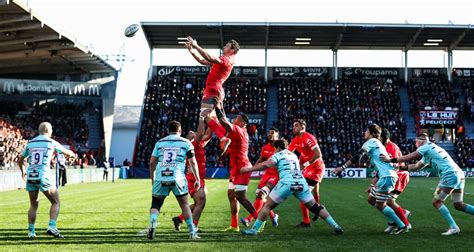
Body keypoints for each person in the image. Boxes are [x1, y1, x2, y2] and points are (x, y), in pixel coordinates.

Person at [240, 139, 343, 236]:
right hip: (300, 182)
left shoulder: (278, 154)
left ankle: (254, 230)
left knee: (267, 206)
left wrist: (248, 169)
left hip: (287, 183)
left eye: (275, 149)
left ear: (278, 148)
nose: (274, 151)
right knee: (316, 207)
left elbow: (266, 165)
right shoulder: (293, 155)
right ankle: (335, 225)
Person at [381, 133, 474, 235]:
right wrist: (400, 168)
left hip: (449, 175)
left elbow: (410, 157)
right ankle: (453, 226)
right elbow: (416, 166)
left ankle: (453, 227)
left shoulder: (426, 147)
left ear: (420, 141)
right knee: (458, 205)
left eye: (416, 142)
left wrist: (391, 160)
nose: (415, 144)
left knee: (436, 202)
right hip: (459, 174)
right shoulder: (430, 149)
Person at [334, 124, 408, 235]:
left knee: (380, 204)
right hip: (386, 176)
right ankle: (396, 220)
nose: (364, 133)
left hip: (387, 177)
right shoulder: (378, 144)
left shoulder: (371, 142)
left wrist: (342, 167)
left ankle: (401, 224)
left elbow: (358, 156)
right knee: (371, 199)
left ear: (372, 134)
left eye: (366, 131)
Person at [17, 122, 76, 239]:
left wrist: (23, 170)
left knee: (33, 205)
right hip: (43, 175)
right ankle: (52, 227)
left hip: (31, 175)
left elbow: (20, 159)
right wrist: (73, 155)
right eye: (52, 129)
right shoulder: (51, 142)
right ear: (49, 130)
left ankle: (31, 232)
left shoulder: (31, 143)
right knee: (56, 202)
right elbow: (67, 152)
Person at [204, 108, 257, 232]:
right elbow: (230, 145)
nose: (235, 118)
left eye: (238, 118)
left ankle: (259, 220)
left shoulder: (239, 130)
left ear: (243, 123)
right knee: (231, 195)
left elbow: (222, 121)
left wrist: (217, 107)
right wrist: (223, 154)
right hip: (235, 168)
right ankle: (234, 225)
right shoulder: (236, 132)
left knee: (240, 197)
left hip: (243, 168)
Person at [185, 36, 240, 156]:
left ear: (232, 50)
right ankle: (223, 137)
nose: (224, 46)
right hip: (216, 90)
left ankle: (223, 138)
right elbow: (203, 60)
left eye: (227, 45)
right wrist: (192, 50)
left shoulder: (227, 59)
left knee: (204, 116)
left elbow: (208, 57)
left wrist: (196, 45)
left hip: (212, 90)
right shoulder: (224, 59)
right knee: (210, 119)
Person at [146, 121, 201, 240]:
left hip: (161, 176)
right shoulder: (186, 143)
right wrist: (197, 178)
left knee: (156, 204)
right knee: (185, 205)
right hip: (177, 177)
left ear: (168, 130)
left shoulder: (160, 142)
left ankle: (152, 224)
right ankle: (192, 232)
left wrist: (153, 179)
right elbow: (193, 162)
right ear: (180, 131)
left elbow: (151, 163)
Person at [172, 121, 212, 231]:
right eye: (191, 133)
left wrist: (213, 119)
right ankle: (193, 226)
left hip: (198, 177)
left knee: (198, 203)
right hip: (193, 178)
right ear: (189, 138)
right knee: (201, 200)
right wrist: (201, 118)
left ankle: (179, 219)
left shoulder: (199, 144)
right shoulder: (192, 144)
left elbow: (208, 134)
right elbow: (200, 134)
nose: (193, 132)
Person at [371, 128, 411, 233]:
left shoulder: (392, 147)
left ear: (384, 137)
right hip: (391, 176)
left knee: (389, 201)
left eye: (379, 137)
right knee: (374, 199)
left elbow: (395, 166)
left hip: (399, 176)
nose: (378, 139)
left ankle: (405, 224)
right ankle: (399, 217)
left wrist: (377, 178)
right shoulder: (383, 147)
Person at [288, 119, 326, 227]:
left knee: (302, 194)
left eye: (296, 126)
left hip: (316, 168)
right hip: (307, 168)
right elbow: (288, 152)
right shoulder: (295, 139)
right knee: (312, 191)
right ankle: (317, 209)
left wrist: (305, 164)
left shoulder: (309, 137)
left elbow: (318, 154)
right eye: (293, 126)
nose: (293, 128)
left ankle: (307, 221)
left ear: (302, 127)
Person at [241, 127, 280, 228]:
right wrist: (252, 168)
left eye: (272, 133)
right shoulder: (265, 148)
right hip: (267, 175)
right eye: (269, 133)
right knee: (260, 197)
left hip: (276, 176)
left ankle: (249, 219)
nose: (269, 134)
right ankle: (273, 215)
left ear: (277, 136)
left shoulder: (280, 148)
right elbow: (261, 159)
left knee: (262, 194)